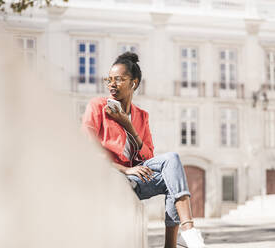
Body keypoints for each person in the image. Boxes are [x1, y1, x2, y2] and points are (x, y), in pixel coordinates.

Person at [82, 52, 206, 248]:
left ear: (133, 83)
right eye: (109, 79)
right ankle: (185, 236)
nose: (112, 84)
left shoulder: (141, 116)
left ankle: (182, 236)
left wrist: (128, 125)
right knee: (170, 167)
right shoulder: (97, 107)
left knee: (172, 164)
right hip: (111, 174)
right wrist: (125, 169)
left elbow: (148, 156)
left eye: (119, 79)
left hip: (136, 179)